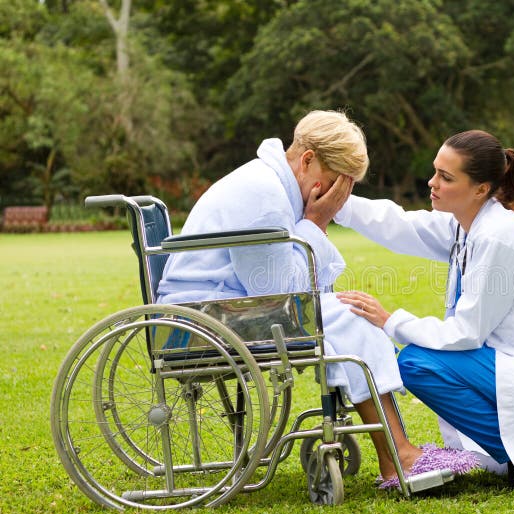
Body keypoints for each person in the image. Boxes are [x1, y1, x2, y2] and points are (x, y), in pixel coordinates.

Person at [157, 110, 476, 488]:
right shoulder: (265, 193)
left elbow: (294, 283)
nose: (330, 197)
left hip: (222, 305)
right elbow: (278, 291)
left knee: (349, 310)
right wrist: (318, 223)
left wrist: (314, 227)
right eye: (330, 184)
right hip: (202, 320)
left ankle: (398, 452)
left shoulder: (275, 183)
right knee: (353, 315)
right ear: (307, 159)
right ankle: (399, 456)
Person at [335, 130, 514, 493]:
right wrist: (338, 205)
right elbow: (402, 224)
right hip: (509, 358)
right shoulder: (464, 222)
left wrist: (390, 320)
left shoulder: (498, 235)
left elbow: (466, 332)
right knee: (416, 362)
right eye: (435, 171)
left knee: (414, 363)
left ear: (480, 189)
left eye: (446, 177)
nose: (432, 183)